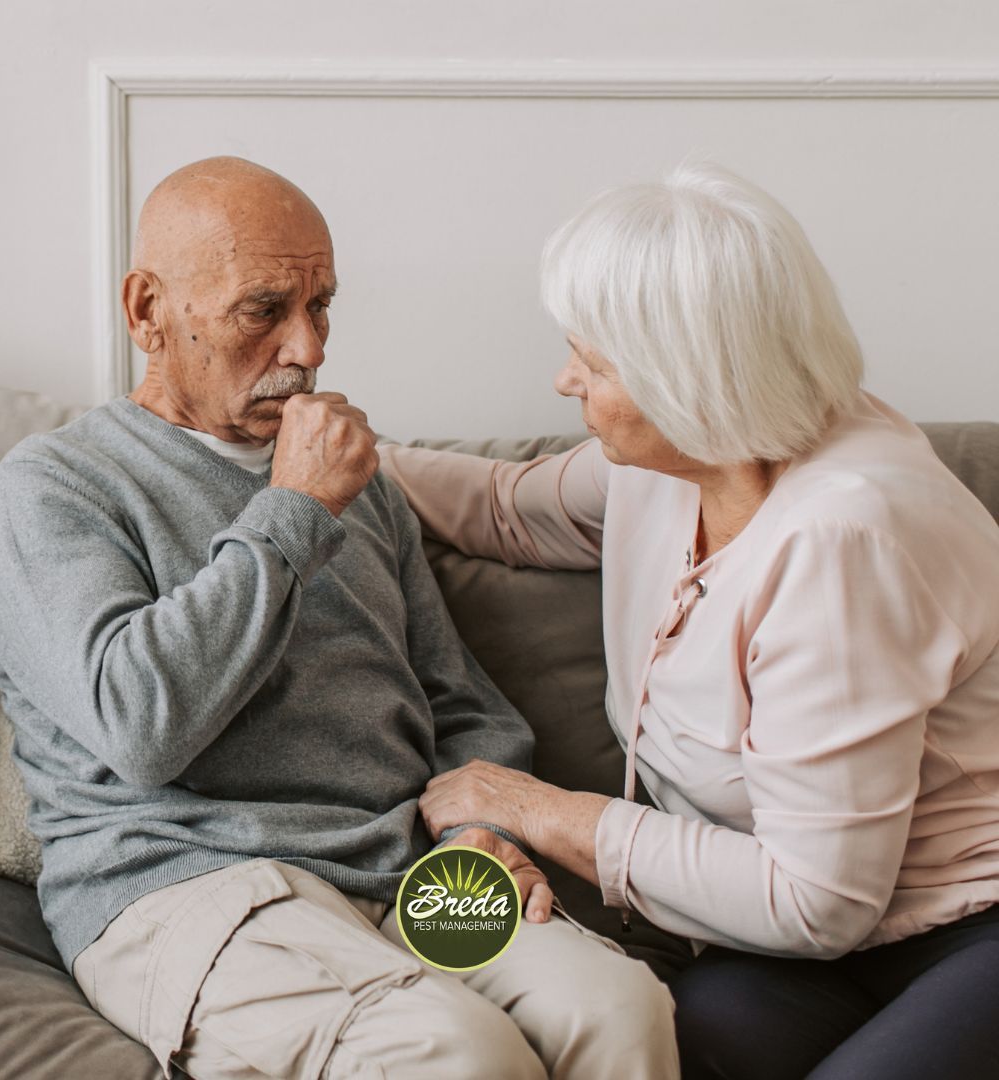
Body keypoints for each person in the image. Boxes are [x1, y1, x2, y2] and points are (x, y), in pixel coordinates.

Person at [0, 157, 678, 1079]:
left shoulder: (361, 483)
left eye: (322, 307)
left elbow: (458, 702)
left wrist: (483, 829)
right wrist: (296, 507)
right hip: (192, 886)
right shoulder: (56, 484)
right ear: (148, 311)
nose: (308, 349)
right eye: (264, 310)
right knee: (454, 1053)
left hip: (402, 870)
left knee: (620, 1009)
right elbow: (140, 727)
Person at [379, 162, 999, 1079]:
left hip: (965, 927)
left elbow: (817, 902)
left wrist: (538, 810)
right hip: (799, 946)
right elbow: (509, 510)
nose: (563, 378)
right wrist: (326, 456)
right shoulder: (680, 463)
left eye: (591, 361)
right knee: (647, 1051)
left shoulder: (842, 537)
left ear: (687, 378)